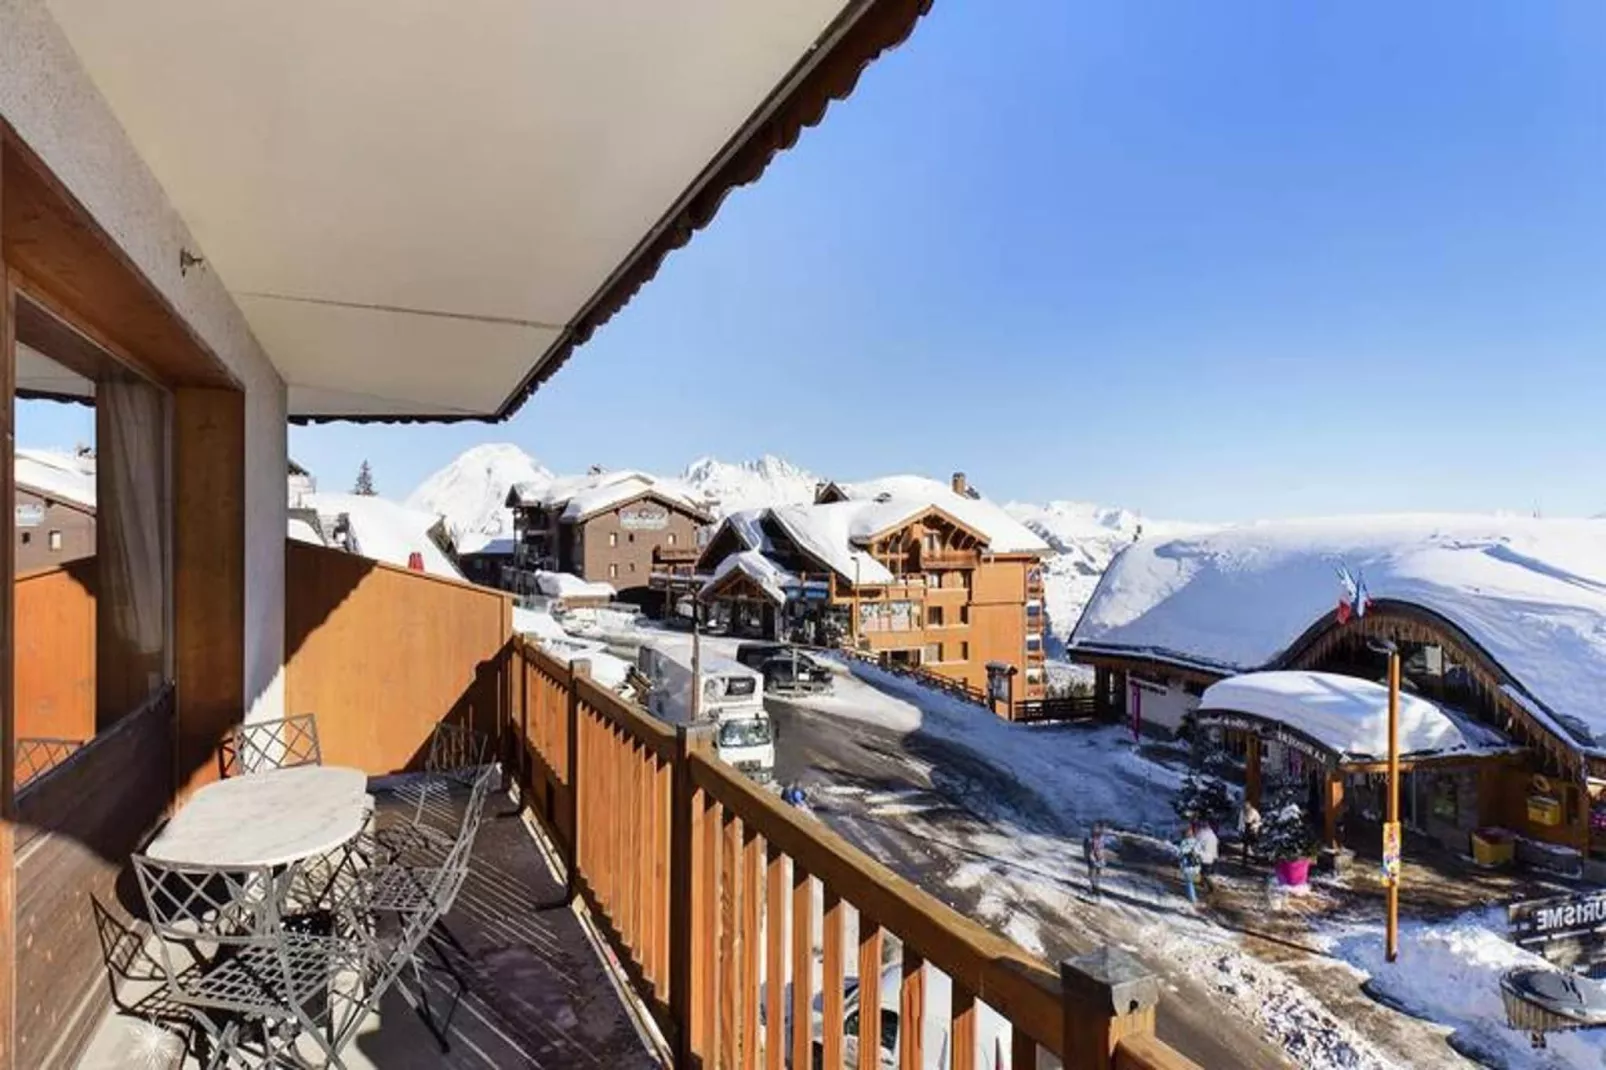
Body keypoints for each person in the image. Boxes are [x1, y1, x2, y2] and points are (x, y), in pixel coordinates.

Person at [1082, 822, 1111, 900]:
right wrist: (1090, 858)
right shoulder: (1090, 839)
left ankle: (1095, 890)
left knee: (1097, 875)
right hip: (1093, 859)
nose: (1103, 831)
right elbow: (1088, 850)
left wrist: (1102, 858)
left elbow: (1101, 849)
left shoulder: (1101, 838)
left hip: (1098, 858)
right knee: (1092, 874)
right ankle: (1093, 890)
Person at [1178, 822, 1202, 906]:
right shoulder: (1196, 842)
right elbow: (1199, 853)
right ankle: (1192, 896)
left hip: (1187, 864)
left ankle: (1192, 898)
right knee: (1191, 881)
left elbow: (1180, 853)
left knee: (1189, 881)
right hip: (1194, 865)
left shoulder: (1184, 842)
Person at [1196, 820, 1220, 892]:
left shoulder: (1201, 834)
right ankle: (1203, 882)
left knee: (1204, 873)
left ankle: (1211, 887)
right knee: (1206, 872)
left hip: (1204, 857)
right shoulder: (1212, 834)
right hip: (1213, 857)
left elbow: (1196, 844)